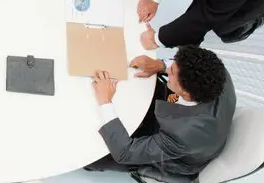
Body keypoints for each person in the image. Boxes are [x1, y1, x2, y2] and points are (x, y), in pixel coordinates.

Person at [86, 46, 236, 176]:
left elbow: (124, 152)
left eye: (171, 72)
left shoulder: (182, 135)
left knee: (93, 157)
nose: (167, 69)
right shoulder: (216, 71)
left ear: (185, 93)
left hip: (176, 156)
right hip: (192, 121)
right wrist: (160, 65)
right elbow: (173, 69)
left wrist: (105, 101)